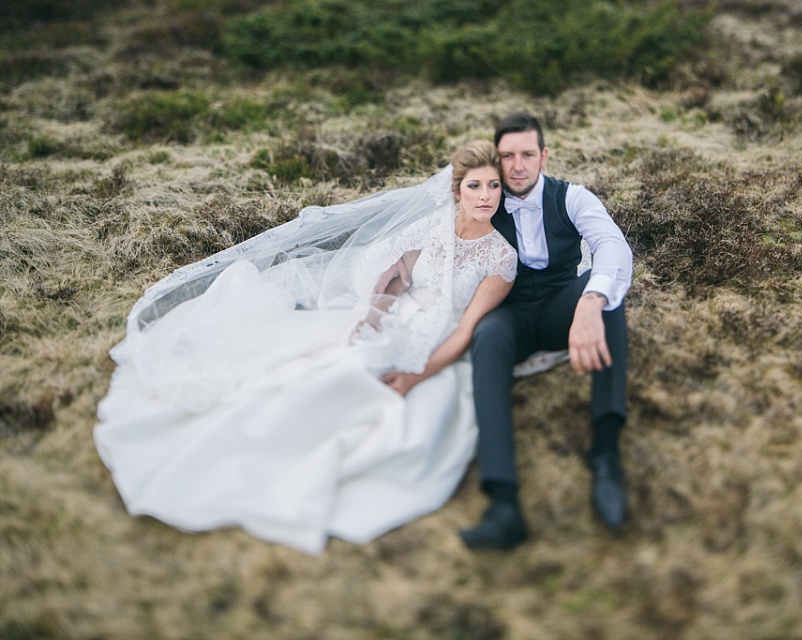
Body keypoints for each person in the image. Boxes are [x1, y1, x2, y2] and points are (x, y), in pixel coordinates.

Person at [93, 141, 517, 554]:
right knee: (314, 360)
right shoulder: (433, 225)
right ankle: (251, 437)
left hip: (433, 338)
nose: (485, 196)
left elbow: (464, 333)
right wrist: (372, 315)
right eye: (475, 186)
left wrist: (414, 376)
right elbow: (395, 274)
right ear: (457, 189)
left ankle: (292, 456)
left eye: (494, 186)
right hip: (390, 319)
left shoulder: (500, 257)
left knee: (349, 380)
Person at [458, 113, 633, 550]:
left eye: (527, 155)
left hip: (559, 304)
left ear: (544, 156)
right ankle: (503, 503)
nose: (517, 165)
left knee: (606, 294)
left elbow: (612, 245)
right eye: (507, 156)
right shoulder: (485, 198)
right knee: (488, 335)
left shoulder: (572, 197)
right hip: (509, 311)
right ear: (497, 160)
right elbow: (438, 243)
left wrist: (590, 303)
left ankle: (606, 455)